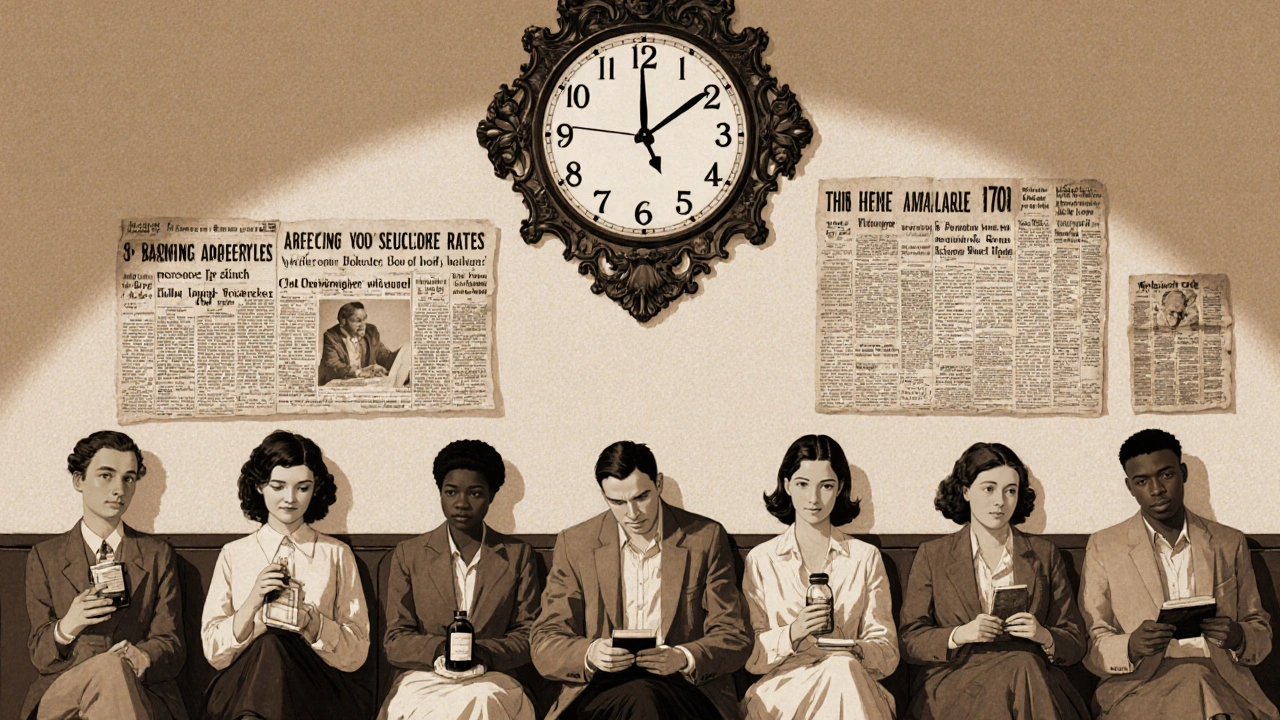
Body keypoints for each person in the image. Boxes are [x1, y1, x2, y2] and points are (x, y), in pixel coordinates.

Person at [531, 441, 752, 720]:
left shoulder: (704, 538)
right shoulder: (576, 544)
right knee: (641, 696)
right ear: (603, 495)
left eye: (641, 497)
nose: (632, 514)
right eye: (618, 502)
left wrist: (683, 657)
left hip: (683, 688)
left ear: (658, 484)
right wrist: (591, 653)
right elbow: (544, 641)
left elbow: (734, 635)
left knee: (645, 696)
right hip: (599, 691)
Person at [1079, 429, 1278, 720]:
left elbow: (1259, 626)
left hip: (1223, 682)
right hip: (1138, 686)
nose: (1156, 489)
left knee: (1198, 680)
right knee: (1195, 686)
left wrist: (1238, 637)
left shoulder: (1227, 542)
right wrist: (1130, 646)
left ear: (1183, 473)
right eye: (1142, 481)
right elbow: (1092, 641)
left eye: (1166, 475)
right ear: (1129, 486)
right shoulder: (1104, 546)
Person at [899, 442, 1089, 720]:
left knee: (1022, 664)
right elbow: (909, 640)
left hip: (1032, 681)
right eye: (988, 489)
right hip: (956, 681)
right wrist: (959, 634)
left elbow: (1075, 641)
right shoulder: (933, 554)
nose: (1000, 501)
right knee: (1020, 667)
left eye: (1010, 491)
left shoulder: (1044, 554)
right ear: (966, 492)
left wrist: (1043, 635)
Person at [200, 430, 372, 720]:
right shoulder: (234, 553)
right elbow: (214, 653)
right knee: (268, 646)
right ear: (259, 486)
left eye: (302, 488)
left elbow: (356, 653)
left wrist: (311, 623)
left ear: (315, 489)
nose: (290, 499)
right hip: (241, 687)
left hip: (317, 689)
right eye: (278, 486)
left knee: (276, 647)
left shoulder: (336, 554)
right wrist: (253, 601)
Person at [23, 430, 187, 720]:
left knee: (114, 671)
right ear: (78, 481)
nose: (119, 490)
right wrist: (67, 626)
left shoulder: (156, 555)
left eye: (129, 478)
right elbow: (40, 656)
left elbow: (171, 644)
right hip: (63, 694)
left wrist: (143, 656)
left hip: (139, 692)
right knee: (109, 667)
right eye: (106, 475)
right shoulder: (45, 556)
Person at [379, 439, 541, 720]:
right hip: (426, 677)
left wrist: (483, 653)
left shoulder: (517, 556)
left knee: (481, 698)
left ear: (492, 496)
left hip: (492, 678)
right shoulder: (410, 554)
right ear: (440, 493)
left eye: (475, 493)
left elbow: (529, 635)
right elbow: (395, 640)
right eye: (451, 492)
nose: (461, 504)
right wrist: (442, 650)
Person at [741, 434, 898, 720]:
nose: (813, 499)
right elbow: (751, 658)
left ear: (839, 489)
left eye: (826, 486)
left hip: (855, 684)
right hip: (783, 690)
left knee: (842, 668)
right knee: (841, 672)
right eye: (802, 484)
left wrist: (853, 649)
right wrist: (793, 632)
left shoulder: (865, 557)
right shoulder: (762, 559)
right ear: (787, 485)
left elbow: (887, 652)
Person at [318, 301, 399, 385]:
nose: (363, 325)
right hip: (337, 384)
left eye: (364, 319)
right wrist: (359, 372)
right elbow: (333, 366)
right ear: (343, 321)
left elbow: (381, 354)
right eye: (358, 321)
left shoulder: (371, 331)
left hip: (365, 384)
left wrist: (400, 355)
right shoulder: (331, 336)